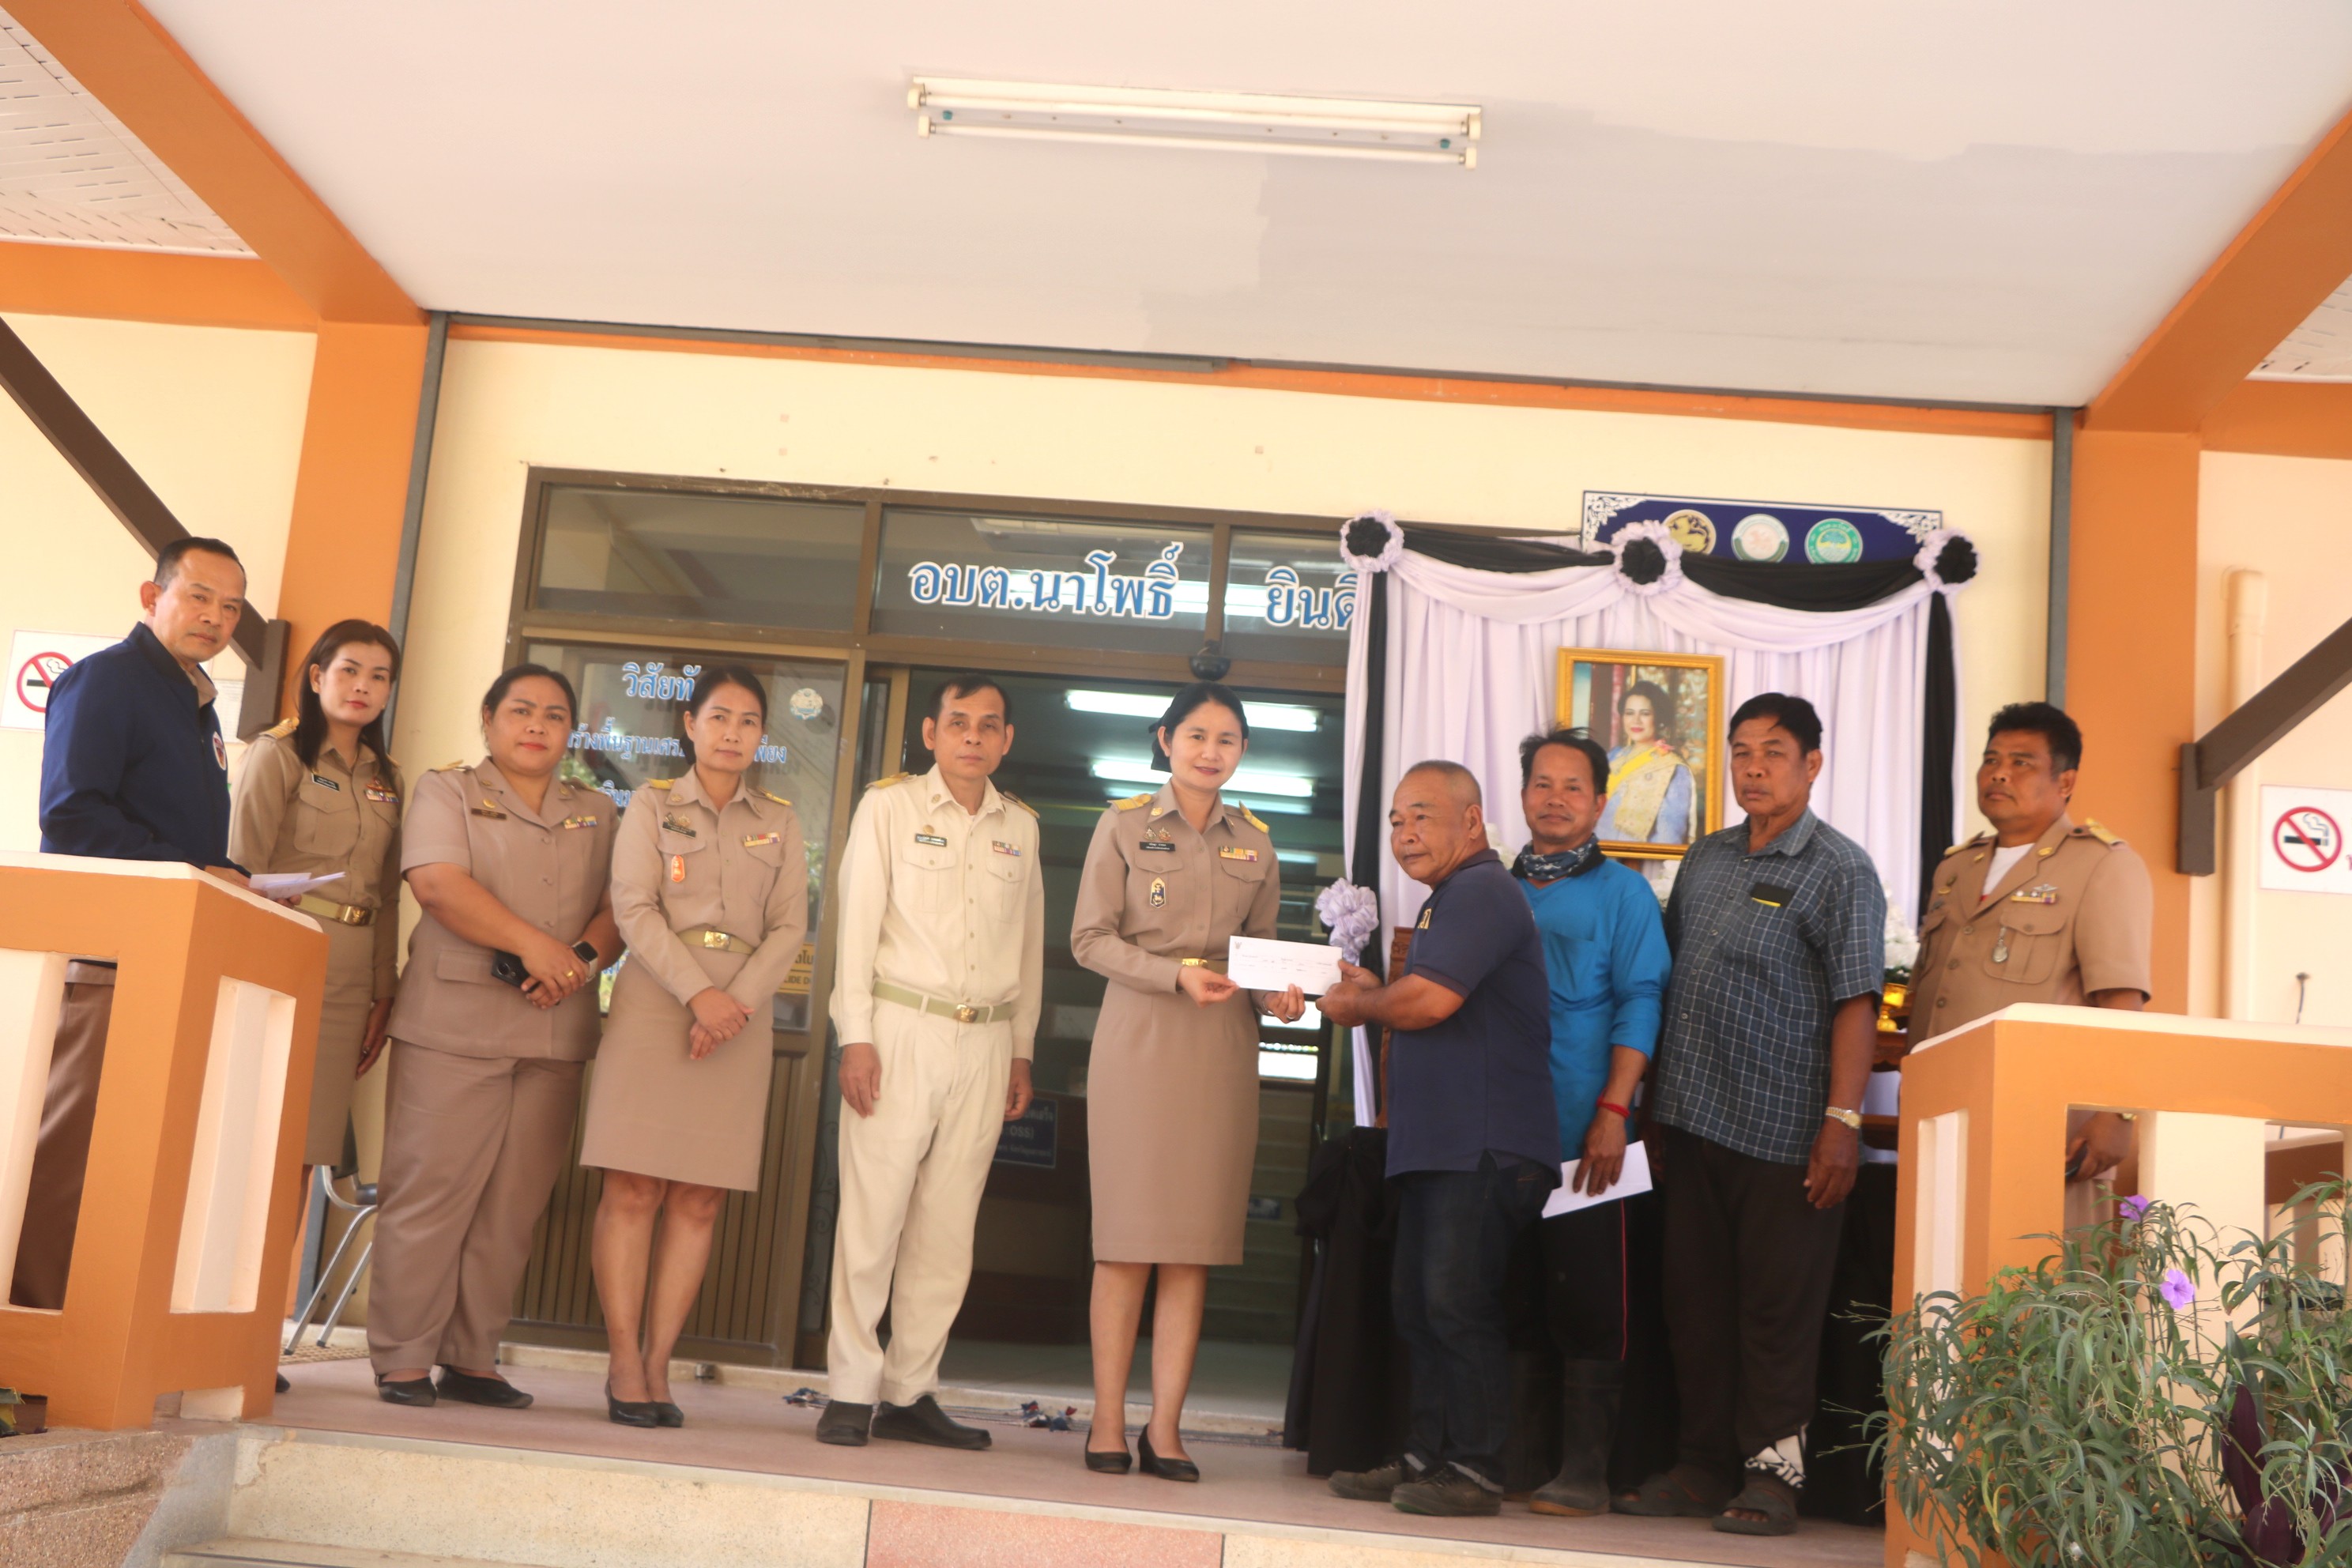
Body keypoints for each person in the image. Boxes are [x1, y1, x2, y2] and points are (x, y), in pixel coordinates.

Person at [1615, 693, 1883, 1537]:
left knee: (1775, 1312)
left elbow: (1857, 1003)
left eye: (1773, 751)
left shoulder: (1839, 868)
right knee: (1695, 1307)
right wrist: (1654, 1107)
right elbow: (1674, 981)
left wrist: (1843, 1122)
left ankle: (1773, 1476)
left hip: (1786, 1133)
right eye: (1741, 751)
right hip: (1692, 1120)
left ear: (1812, 764)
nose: (1754, 767)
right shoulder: (1708, 857)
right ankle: (1701, 1464)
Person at [366, 665, 620, 1408]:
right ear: (488, 719)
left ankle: (471, 1357)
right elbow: (438, 884)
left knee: (513, 1207)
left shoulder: (598, 809)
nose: (537, 725)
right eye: (521, 710)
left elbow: (620, 907)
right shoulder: (447, 791)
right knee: (430, 1195)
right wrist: (538, 947)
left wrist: (577, 962)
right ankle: (403, 1358)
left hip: (554, 1029)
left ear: (571, 731)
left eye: (554, 714)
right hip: (455, 1025)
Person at [1069, 682, 1304, 1481]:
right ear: (1166, 739)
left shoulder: (1257, 843)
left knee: (1191, 1249)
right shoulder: (1122, 824)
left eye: (1226, 739)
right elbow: (1089, 939)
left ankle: (1165, 1428)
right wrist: (1173, 976)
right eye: (1196, 735)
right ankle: (1107, 1420)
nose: (1211, 751)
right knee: (1126, 1243)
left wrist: (1280, 995)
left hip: (1221, 1048)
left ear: (1243, 751)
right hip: (1139, 1035)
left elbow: (1261, 951)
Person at [16, 537, 251, 1312]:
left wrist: (225, 878)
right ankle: (32, 1331)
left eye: (231, 607)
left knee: (137, 1158)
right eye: (199, 597)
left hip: (173, 954)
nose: (215, 618)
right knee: (72, 1151)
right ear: (152, 598)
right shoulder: (108, 680)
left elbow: (181, 832)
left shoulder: (196, 703)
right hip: (108, 955)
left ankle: (105, 1327)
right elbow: (71, 815)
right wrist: (192, 867)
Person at [1321, 761, 1561, 1519]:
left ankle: (1477, 1470)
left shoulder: (1482, 890)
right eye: (1396, 820)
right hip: (1440, 1144)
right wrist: (1371, 993)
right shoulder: (1447, 899)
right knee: (1419, 1307)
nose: (1404, 833)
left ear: (1473, 821)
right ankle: (1427, 1455)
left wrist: (1360, 1007)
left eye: (1422, 815)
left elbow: (1428, 1003)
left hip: (1482, 1143)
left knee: (1456, 1305)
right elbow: (1418, 997)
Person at [820, 676, 1045, 1451]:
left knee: (947, 1229)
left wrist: (1021, 1050)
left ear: (1007, 741)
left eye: (988, 725)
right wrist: (855, 1034)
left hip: (986, 1040)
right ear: (930, 732)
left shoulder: (1022, 828)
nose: (972, 737)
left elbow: (1028, 950)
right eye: (958, 723)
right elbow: (855, 928)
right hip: (900, 1029)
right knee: (873, 1216)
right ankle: (850, 1389)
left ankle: (910, 1391)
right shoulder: (889, 808)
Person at [582, 668, 807, 1428]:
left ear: (762, 736)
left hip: (740, 1012)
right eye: (719, 717)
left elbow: (790, 926)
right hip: (656, 1000)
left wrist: (732, 1004)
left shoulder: (780, 820)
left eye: (748, 721)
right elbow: (633, 907)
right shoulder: (652, 806)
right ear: (690, 724)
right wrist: (697, 996)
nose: (732, 733)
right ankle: (622, 1361)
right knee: (633, 1187)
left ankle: (658, 1364)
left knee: (700, 1197)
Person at [1900, 702, 2151, 1226]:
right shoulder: (1955, 868)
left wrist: (2119, 1112)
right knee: (1935, 1265)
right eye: (1991, 760)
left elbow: (2121, 1000)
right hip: (1942, 1114)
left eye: (2022, 763)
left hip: (2042, 1123)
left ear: (2066, 782)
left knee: (2035, 1269)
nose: (1999, 773)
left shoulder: (2102, 864)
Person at [1509, 729, 1671, 1517]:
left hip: (1588, 1137)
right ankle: (1516, 1464)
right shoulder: (1492, 889)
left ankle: (1583, 1473)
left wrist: (1614, 1111)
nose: (1556, 799)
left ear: (1601, 802)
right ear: (1522, 795)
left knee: (1590, 1301)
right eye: (1542, 784)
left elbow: (1643, 1002)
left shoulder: (1625, 896)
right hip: (1502, 1137)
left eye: (1573, 786)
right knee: (1512, 1295)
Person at [230, 620, 405, 1173]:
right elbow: (240, 869)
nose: (363, 686)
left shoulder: (390, 780)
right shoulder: (279, 754)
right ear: (316, 677)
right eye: (349, 671)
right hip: (283, 955)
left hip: (352, 974)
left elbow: (387, 896)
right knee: (254, 1135)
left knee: (310, 1145)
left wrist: (384, 989)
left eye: (379, 677)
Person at [1596, 680, 1692, 846]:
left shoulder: (1673, 768)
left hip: (1636, 857)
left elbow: (1669, 836)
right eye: (1629, 713)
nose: (1636, 721)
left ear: (1659, 718)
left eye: (1645, 714)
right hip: (1597, 851)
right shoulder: (1613, 756)